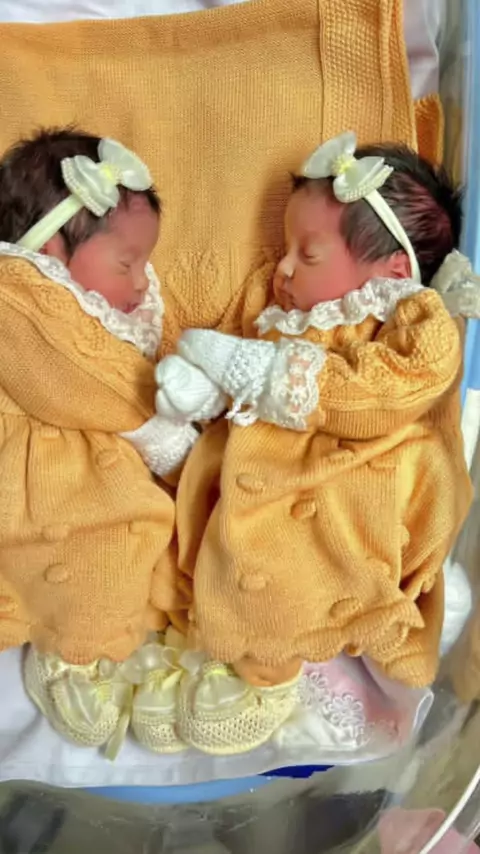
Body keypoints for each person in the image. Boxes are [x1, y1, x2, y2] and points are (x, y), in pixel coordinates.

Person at [155, 131, 477, 753]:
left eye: (306, 253)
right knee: (208, 538)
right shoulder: (281, 314)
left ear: (393, 271)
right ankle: (236, 644)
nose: (282, 268)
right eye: (285, 249)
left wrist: (252, 370)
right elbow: (242, 388)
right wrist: (204, 392)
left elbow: (383, 392)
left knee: (310, 559)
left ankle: (272, 672)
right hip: (263, 479)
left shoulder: (417, 320)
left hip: (357, 487)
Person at [0, 127, 223, 755]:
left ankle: (167, 640)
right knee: (90, 550)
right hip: (39, 486)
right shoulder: (15, 292)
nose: (141, 282)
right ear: (51, 250)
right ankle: (74, 659)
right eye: (127, 264)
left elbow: (156, 361)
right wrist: (171, 438)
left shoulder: (115, 308)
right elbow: (87, 379)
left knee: (158, 549)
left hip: (105, 474)